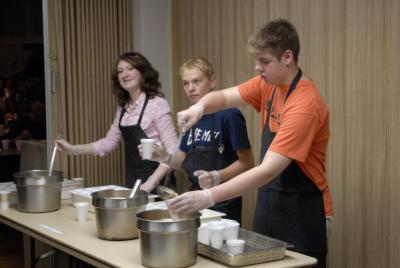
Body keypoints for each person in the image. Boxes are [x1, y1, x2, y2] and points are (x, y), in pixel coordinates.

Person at [167, 19, 333, 267]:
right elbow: (223, 96)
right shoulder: (268, 85)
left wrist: (208, 196)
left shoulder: (305, 104)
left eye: (264, 61)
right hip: (269, 204)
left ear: (287, 57)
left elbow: (267, 170)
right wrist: (199, 108)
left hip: (303, 213)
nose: (257, 68)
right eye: (257, 61)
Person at [139, 57, 254, 223]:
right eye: (186, 83)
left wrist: (216, 176)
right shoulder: (188, 117)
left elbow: (248, 163)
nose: (191, 88)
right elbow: (182, 163)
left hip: (223, 203)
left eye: (196, 81)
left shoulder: (229, 115)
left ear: (212, 81)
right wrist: (162, 156)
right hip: (193, 199)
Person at [56, 52, 178, 189]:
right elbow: (109, 142)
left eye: (130, 69)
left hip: (159, 184)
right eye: (120, 71)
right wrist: (73, 149)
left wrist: (150, 183)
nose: (124, 74)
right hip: (133, 182)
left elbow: (173, 151)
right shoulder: (123, 108)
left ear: (143, 72)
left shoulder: (157, 104)